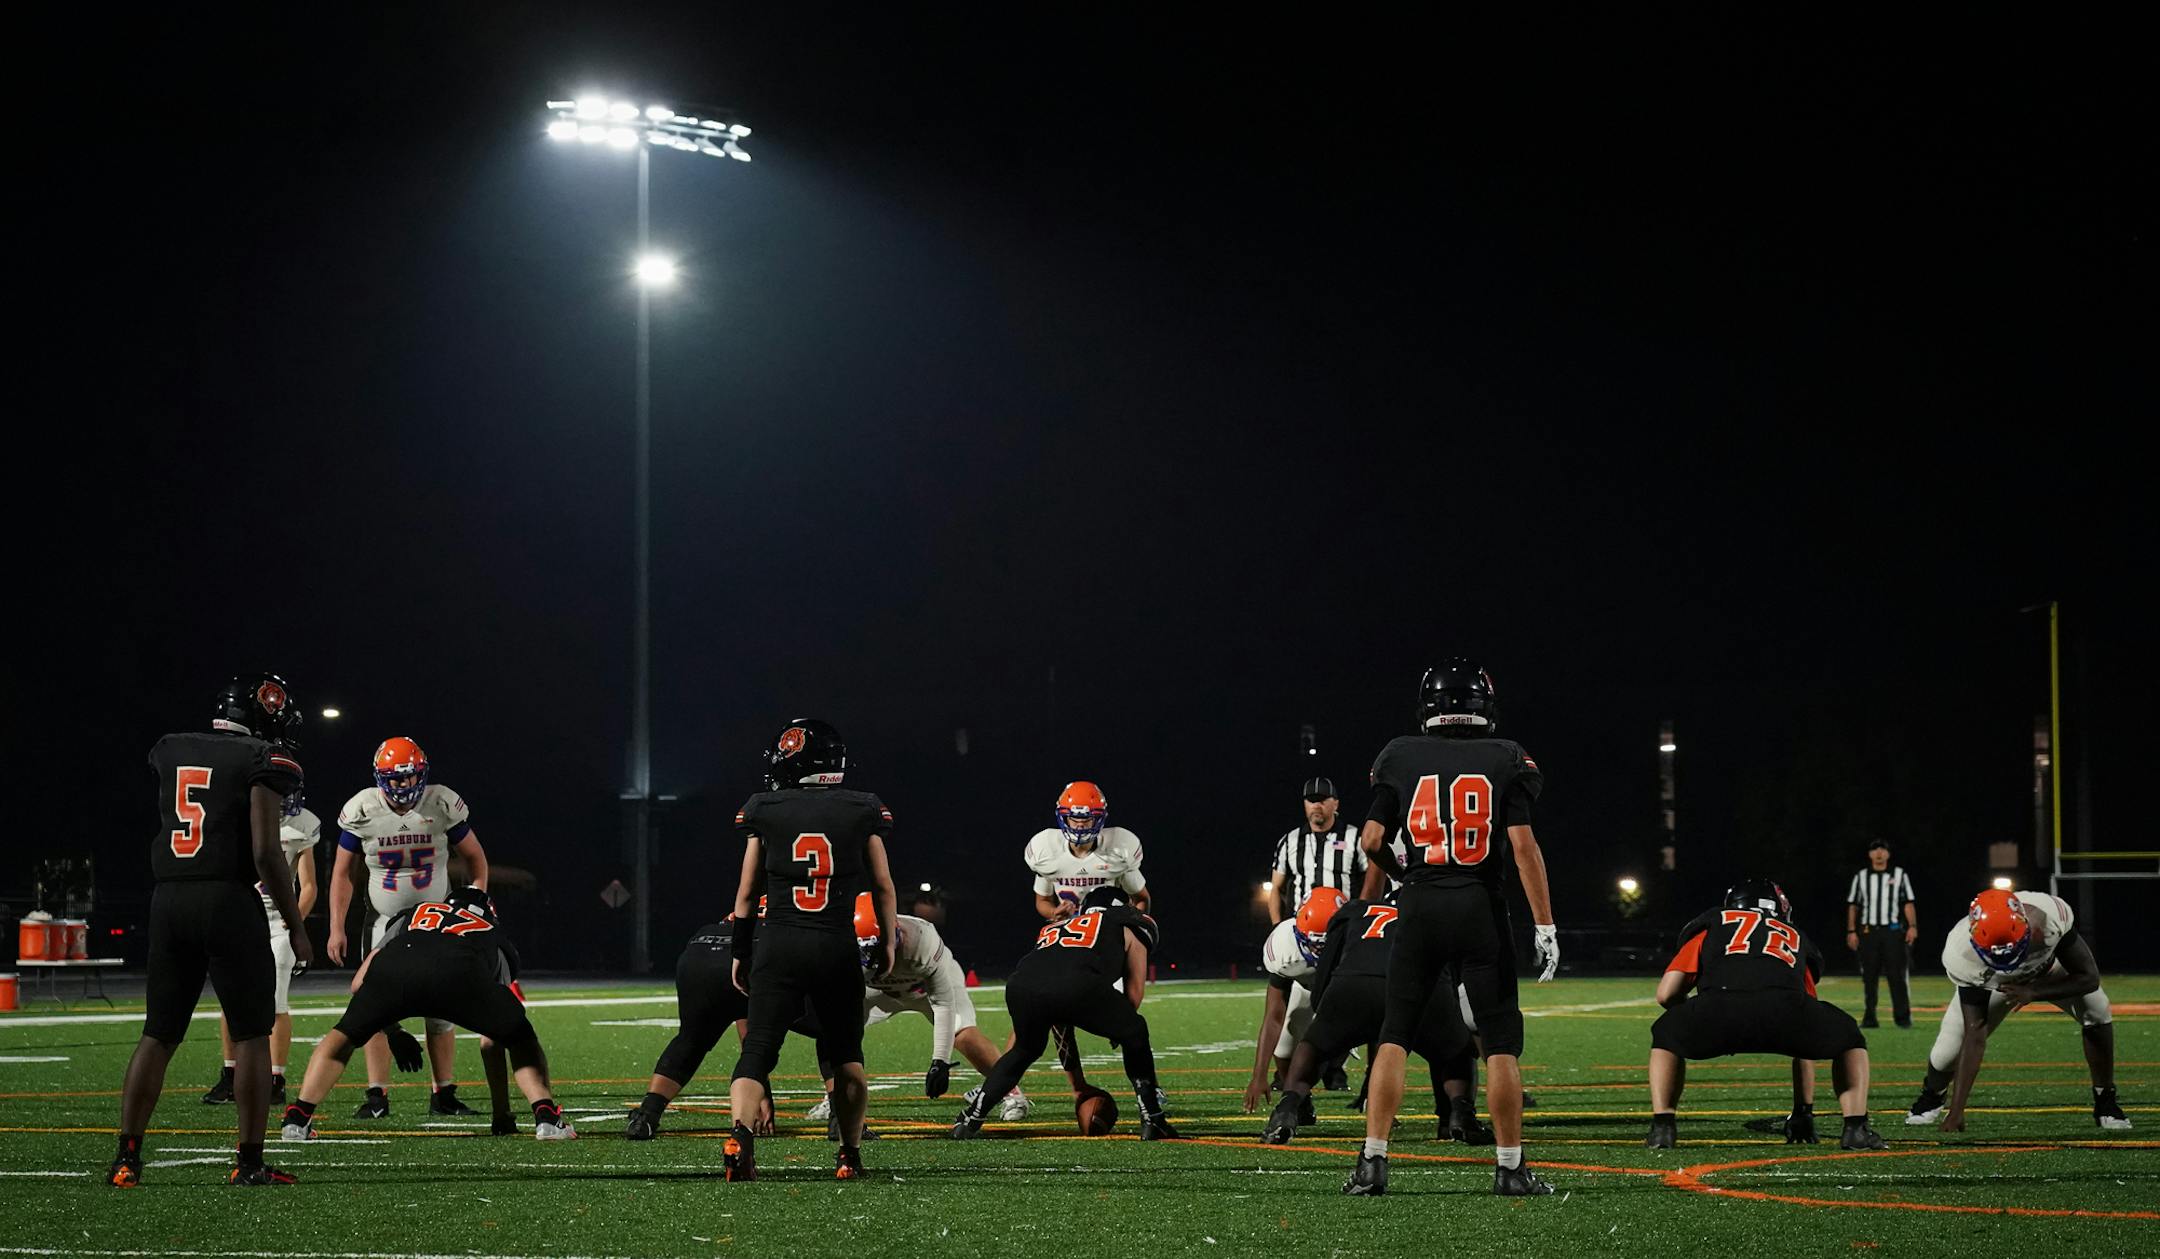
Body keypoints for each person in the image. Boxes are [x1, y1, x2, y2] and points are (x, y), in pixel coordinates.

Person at [1346, 660, 1558, 1198]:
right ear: (1482, 704)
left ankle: (1373, 1162)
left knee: (1394, 1034)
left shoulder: (1399, 754)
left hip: (1419, 905)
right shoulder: (1506, 756)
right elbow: (1523, 848)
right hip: (1478, 905)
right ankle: (1510, 1167)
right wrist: (1545, 925)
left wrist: (1404, 877)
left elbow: (1371, 841)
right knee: (1500, 1042)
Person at [110, 673, 310, 1187]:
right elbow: (267, 853)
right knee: (250, 1037)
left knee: (158, 1034)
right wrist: (295, 923)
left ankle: (126, 1159)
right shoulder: (260, 759)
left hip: (169, 898)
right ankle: (249, 1163)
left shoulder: (172, 747)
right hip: (226, 898)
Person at [723, 718, 899, 1182]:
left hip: (778, 942)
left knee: (757, 1050)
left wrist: (741, 950)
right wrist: (888, 941)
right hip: (834, 944)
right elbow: (882, 886)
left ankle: (740, 1136)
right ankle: (849, 1154)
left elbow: (745, 893)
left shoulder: (765, 808)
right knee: (847, 1057)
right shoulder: (862, 809)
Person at [280, 887, 572, 1142]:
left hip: (395, 971)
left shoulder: (415, 913)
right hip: (458, 974)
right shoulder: (491, 932)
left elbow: (358, 984)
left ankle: (297, 1118)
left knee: (343, 1036)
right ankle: (546, 1116)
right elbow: (492, 1039)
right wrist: (501, 1115)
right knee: (520, 1038)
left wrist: (392, 1031)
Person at [1644, 879, 1888, 1151]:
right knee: (1849, 1036)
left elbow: (1666, 994)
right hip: (1785, 1010)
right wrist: (1803, 1111)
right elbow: (1806, 1031)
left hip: (1719, 1008)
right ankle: (1856, 1129)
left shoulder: (1712, 923)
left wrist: (1692, 1015)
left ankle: (1663, 1128)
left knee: (1666, 1032)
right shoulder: (1792, 933)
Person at [329, 736, 492, 1118]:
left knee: (442, 1007)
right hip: (384, 920)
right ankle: (377, 1095)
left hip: (434, 919)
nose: (401, 786)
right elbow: (341, 874)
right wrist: (337, 926)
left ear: (421, 775)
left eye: (407, 778)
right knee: (373, 1003)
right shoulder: (362, 809)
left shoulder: (441, 802)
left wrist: (476, 899)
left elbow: (476, 859)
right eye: (393, 778)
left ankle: (444, 1093)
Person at [1257, 895, 1483, 1145]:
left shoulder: (1354, 911)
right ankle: (1459, 1115)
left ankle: (1286, 1110)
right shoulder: (1430, 909)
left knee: (1314, 1047)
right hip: (1416, 987)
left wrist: (1329, 1022)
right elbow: (1451, 967)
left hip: (1353, 986)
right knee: (1455, 1052)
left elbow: (1326, 972)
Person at [951, 889, 1175, 1140]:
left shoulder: (1057, 926)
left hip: (1021, 986)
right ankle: (1152, 1118)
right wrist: (1120, 1026)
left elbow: (1059, 1017)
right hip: (1077, 985)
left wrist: (1078, 1083)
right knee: (1135, 1031)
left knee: (1024, 1050)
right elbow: (1133, 995)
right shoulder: (1127, 925)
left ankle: (971, 1119)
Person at [1906, 888, 2131, 1132]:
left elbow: (2088, 978)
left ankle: (2105, 1100)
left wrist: (2034, 992)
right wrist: (1957, 1111)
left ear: (2026, 926)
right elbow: (1975, 1034)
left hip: (2049, 974)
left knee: (2097, 1010)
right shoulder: (1960, 955)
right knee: (1946, 1052)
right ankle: (1933, 1096)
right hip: (1997, 986)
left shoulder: (2049, 918)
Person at [801, 893, 1011, 1129]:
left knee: (963, 1033)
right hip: (877, 991)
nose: (872, 955)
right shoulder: (842, 945)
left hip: (923, 988)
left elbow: (942, 1002)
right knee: (836, 1031)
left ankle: (1011, 1093)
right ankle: (838, 1099)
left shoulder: (922, 941)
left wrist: (939, 1061)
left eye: (877, 946)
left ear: (895, 930)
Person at [1013, 781, 1152, 1114]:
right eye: (1074, 819)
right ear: (1062, 818)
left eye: (1087, 819)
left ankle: (1147, 1092)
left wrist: (1127, 925)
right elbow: (1043, 902)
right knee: (1039, 1014)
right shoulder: (1047, 851)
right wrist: (1055, 914)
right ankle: (1013, 1087)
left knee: (1128, 1012)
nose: (1079, 825)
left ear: (1100, 818)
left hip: (1104, 948)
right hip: (1064, 942)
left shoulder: (1119, 849)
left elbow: (1142, 899)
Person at [202, 786, 319, 1106]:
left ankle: (276, 1079)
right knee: (230, 1000)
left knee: (276, 1002)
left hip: (277, 923)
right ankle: (230, 1076)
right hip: (242, 918)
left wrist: (295, 921)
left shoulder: (302, 825)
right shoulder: (240, 820)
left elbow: (308, 887)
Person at [623, 917, 780, 1141]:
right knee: (829, 1030)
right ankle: (838, 1117)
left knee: (690, 1040)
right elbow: (752, 1036)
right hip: (752, 950)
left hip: (700, 949)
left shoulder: (762, 895)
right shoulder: (797, 907)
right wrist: (761, 1091)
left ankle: (647, 1113)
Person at [1242, 888, 1345, 1109]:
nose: (1318, 951)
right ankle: (1299, 1099)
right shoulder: (1284, 947)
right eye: (1313, 944)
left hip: (1344, 991)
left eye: (1324, 945)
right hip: (1308, 986)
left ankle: (1374, 1096)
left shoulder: (1358, 943)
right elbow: (1274, 1016)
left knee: (1329, 1046)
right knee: (1283, 1047)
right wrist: (1259, 1075)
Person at [1844, 840, 1918, 1029]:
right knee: (1869, 977)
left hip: (1892, 931)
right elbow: (1853, 905)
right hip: (1869, 932)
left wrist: (1912, 926)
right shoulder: (1861, 876)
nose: (1879, 853)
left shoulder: (1899, 874)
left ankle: (1902, 1019)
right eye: (1875, 850)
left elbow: (1907, 903)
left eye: (1882, 849)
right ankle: (1870, 1018)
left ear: (1888, 854)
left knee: (1897, 976)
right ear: (1870, 855)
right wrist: (1852, 931)